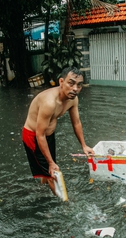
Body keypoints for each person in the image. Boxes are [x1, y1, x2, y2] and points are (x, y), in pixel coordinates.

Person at [22, 67, 94, 196]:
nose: (75, 89)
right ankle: (64, 205)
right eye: (71, 83)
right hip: (34, 137)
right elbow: (40, 134)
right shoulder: (50, 102)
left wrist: (84, 145)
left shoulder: (73, 99)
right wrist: (50, 162)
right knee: (52, 172)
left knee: (50, 168)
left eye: (79, 85)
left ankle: (41, 190)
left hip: (48, 135)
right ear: (61, 82)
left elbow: (76, 122)